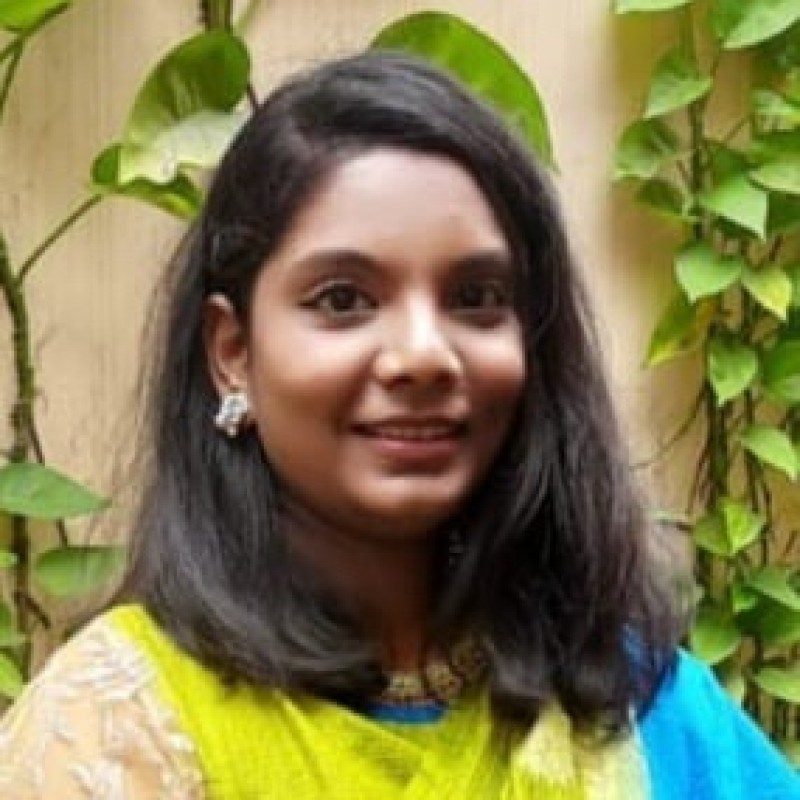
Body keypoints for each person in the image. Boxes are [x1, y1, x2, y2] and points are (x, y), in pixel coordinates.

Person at [0, 51, 797, 800]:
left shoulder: (642, 708)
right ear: (233, 352)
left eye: (477, 298)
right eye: (343, 300)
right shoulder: (115, 730)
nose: (423, 355)